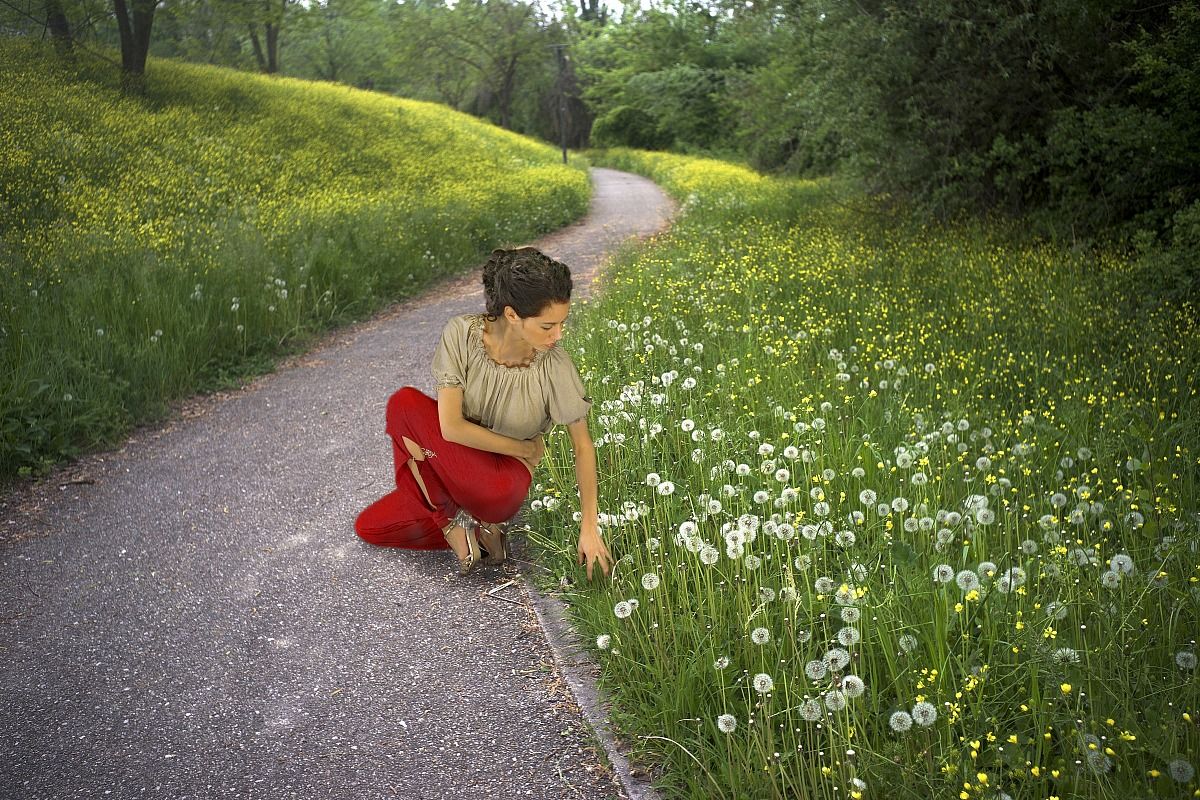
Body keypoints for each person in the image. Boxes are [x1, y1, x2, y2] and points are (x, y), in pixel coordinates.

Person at [355, 247, 614, 581]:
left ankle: (468, 520)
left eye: (562, 324)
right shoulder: (462, 334)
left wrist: (589, 528)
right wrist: (523, 448)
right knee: (370, 525)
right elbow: (450, 428)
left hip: (499, 484)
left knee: (417, 427)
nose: (558, 335)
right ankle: (457, 522)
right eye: (548, 326)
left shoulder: (555, 365)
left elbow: (583, 447)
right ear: (511, 315)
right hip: (452, 461)